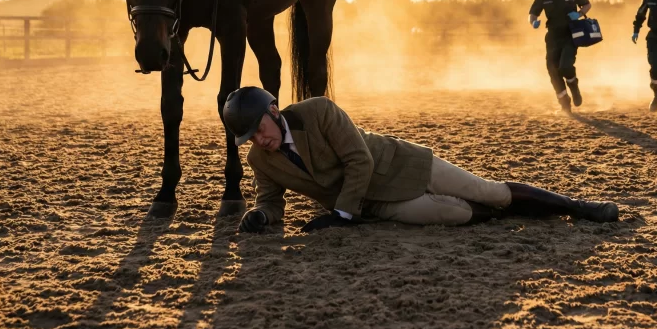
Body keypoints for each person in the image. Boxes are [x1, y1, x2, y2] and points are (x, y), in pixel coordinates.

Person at [223, 87, 620, 233]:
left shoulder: (318, 111)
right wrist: (261, 215)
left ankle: (578, 208)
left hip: (401, 163)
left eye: (260, 129)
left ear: (273, 111)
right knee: (457, 215)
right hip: (376, 204)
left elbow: (359, 160)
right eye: (250, 139)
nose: (260, 141)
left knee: (490, 192)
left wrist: (342, 214)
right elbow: (272, 200)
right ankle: (509, 216)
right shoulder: (261, 160)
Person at [528, 0, 592, 113]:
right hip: (552, 37)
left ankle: (574, 87)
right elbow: (532, 13)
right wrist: (533, 22)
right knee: (552, 69)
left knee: (565, 66)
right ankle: (564, 101)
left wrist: (579, 14)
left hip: (570, 35)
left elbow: (587, 4)